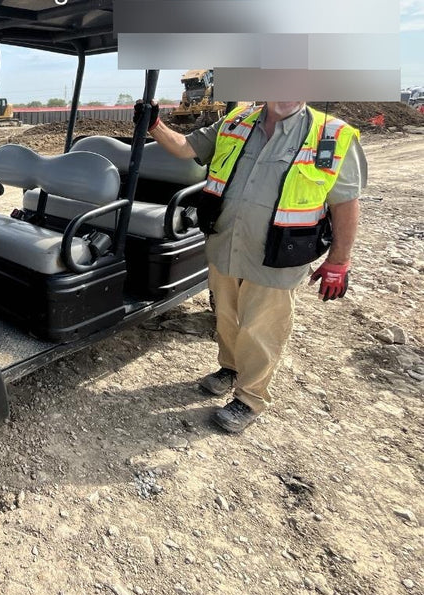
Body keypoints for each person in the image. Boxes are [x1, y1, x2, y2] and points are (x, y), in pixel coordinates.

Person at [134, 100, 366, 432]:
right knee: (226, 317)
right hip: (227, 244)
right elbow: (187, 148)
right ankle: (230, 368)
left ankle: (250, 398)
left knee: (262, 329)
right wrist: (155, 124)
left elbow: (345, 201)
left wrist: (339, 260)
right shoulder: (237, 122)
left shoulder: (331, 135)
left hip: (279, 255)